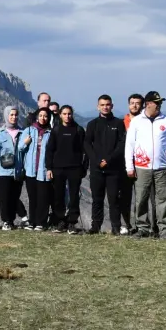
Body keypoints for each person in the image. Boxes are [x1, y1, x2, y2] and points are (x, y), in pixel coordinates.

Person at [125, 91, 166, 238]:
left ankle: (164, 230)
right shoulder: (137, 121)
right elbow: (130, 145)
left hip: (162, 167)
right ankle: (142, 228)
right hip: (142, 167)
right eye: (157, 102)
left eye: (160, 102)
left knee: (163, 199)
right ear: (148, 104)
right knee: (141, 198)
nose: (159, 105)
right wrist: (129, 166)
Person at [84, 95, 126, 234]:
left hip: (114, 169)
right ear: (98, 106)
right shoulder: (92, 124)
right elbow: (87, 144)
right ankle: (96, 225)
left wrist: (108, 160)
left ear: (112, 106)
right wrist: (97, 161)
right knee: (97, 198)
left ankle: (115, 227)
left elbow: (121, 144)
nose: (105, 107)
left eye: (107, 104)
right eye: (102, 105)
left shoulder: (118, 123)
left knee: (114, 199)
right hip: (96, 169)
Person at [45, 105, 86, 233]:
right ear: (60, 115)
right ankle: (60, 221)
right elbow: (50, 150)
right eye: (64, 114)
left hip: (74, 168)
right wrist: (49, 168)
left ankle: (72, 222)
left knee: (74, 196)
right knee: (59, 196)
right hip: (58, 168)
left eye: (69, 114)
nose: (67, 116)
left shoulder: (78, 130)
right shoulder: (56, 130)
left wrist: (84, 167)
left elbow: (85, 151)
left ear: (72, 114)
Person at [0, 107, 26, 231]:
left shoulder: (23, 132)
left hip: (18, 171)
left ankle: (11, 220)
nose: (14, 117)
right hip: (4, 171)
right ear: (6, 116)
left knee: (15, 197)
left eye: (16, 115)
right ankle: (6, 221)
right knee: (5, 198)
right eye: (11, 115)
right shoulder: (1, 133)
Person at [20, 107, 54, 230]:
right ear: (37, 117)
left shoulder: (51, 133)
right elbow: (20, 148)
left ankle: (41, 222)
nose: (43, 118)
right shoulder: (29, 130)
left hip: (43, 170)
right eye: (41, 115)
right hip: (30, 170)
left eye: (45, 116)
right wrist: (25, 142)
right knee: (32, 197)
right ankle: (32, 221)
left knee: (43, 198)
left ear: (49, 118)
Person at [120, 93, 145, 234]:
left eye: (137, 103)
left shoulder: (145, 122)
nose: (134, 105)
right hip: (124, 164)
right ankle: (125, 224)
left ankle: (141, 225)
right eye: (132, 103)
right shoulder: (121, 122)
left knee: (141, 196)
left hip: (142, 163)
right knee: (125, 195)